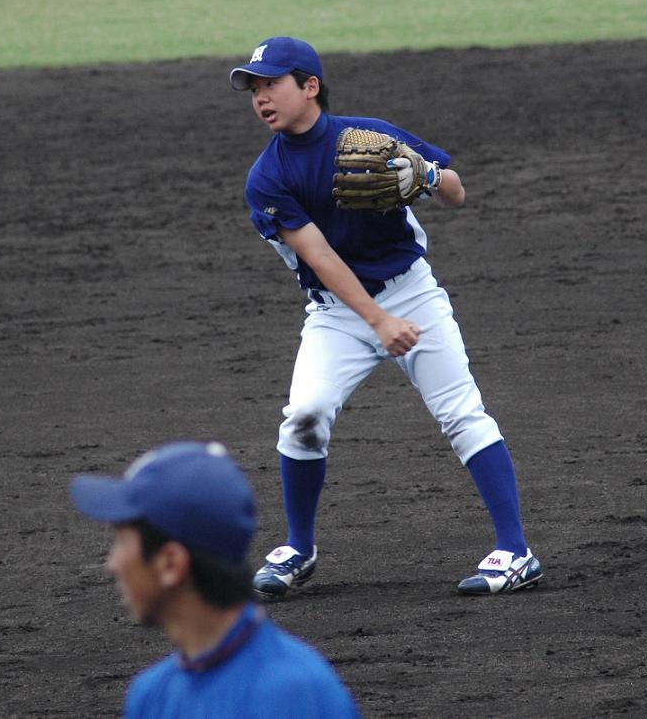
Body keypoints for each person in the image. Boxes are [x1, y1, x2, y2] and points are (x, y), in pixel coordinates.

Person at [229, 36, 543, 598]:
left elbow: (456, 194)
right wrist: (377, 321)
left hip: (413, 295)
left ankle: (516, 551)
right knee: (304, 416)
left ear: (310, 86)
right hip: (337, 313)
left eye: (271, 84)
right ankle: (299, 547)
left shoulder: (369, 136)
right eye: (254, 89)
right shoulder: (267, 178)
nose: (261, 98)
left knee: (461, 412)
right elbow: (320, 258)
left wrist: (427, 176)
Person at [70, 440, 360, 718]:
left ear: (171, 564)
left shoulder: (291, 696)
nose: (112, 564)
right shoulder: (150, 694)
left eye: (122, 542)